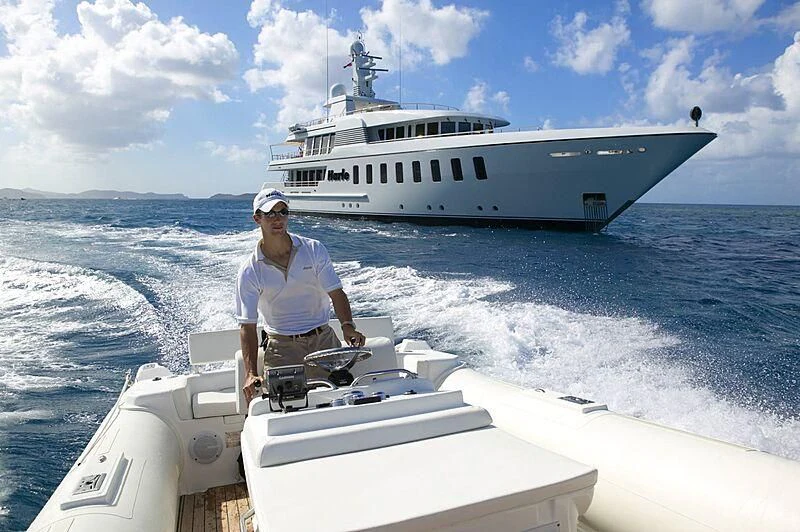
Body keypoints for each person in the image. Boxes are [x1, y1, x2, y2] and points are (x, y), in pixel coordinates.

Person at [235, 188, 366, 406]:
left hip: (324, 340)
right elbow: (247, 326)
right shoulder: (250, 270)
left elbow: (336, 293)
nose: (278, 219)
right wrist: (250, 373)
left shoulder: (313, 249)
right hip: (282, 348)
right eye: (270, 213)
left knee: (337, 405)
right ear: (257, 218)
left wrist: (347, 326)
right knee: (285, 408)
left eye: (283, 212)